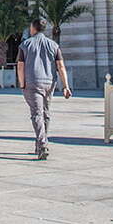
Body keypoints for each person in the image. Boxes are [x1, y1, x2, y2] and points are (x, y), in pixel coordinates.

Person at [16, 19, 72, 159]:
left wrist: (22, 83)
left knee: (37, 114)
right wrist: (65, 86)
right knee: (45, 113)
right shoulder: (53, 45)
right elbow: (61, 66)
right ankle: (41, 143)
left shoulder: (25, 44)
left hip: (32, 82)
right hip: (49, 82)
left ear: (33, 28)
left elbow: (20, 66)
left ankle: (42, 145)